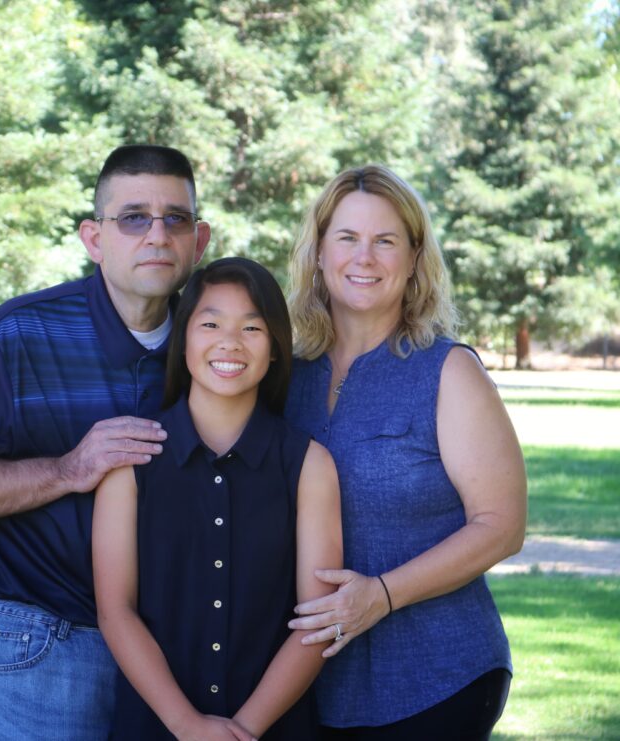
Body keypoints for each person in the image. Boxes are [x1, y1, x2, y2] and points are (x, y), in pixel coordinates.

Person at [0, 144, 211, 740]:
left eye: (177, 218)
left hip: (170, 650)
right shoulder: (15, 336)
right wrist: (68, 469)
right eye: (134, 217)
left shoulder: (214, 344)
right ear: (94, 238)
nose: (157, 235)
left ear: (199, 239)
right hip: (37, 640)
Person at [284, 165, 527, 740]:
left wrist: (383, 596)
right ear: (319, 252)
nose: (364, 257)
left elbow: (502, 525)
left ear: (415, 258)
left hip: (438, 679)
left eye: (385, 241)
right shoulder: (284, 375)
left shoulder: (447, 370)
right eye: (347, 238)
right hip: (307, 688)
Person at [93, 257, 343, 741]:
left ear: (274, 348)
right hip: (155, 725)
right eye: (210, 323)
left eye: (252, 327)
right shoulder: (131, 462)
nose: (230, 342)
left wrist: (242, 731)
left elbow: (319, 620)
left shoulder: (309, 465)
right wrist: (187, 727)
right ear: (183, 336)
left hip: (274, 727)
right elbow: (115, 611)